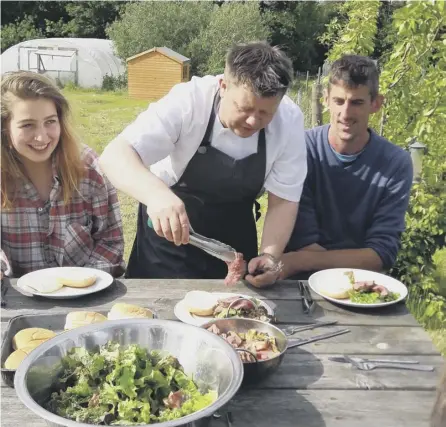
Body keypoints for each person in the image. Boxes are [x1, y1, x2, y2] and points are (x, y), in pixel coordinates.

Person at [99, 41, 307, 287]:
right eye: (245, 108)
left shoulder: (289, 120)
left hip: (234, 237)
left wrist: (270, 256)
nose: (253, 120)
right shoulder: (189, 101)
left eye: (265, 114)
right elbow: (115, 154)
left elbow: (283, 200)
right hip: (170, 235)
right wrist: (156, 196)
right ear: (223, 86)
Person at [280, 54, 413, 280]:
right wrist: (304, 259)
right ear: (326, 100)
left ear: (376, 104)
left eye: (357, 102)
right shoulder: (302, 149)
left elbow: (382, 252)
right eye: (339, 101)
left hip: (361, 285)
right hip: (298, 285)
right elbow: (303, 240)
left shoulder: (396, 163)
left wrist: (300, 261)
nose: (345, 113)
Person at [1, 71, 125, 278]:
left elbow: (111, 242)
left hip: (87, 295)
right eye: (27, 125)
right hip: (17, 299)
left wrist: (82, 283)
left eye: (50, 121)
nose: (42, 136)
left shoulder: (88, 169)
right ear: (5, 128)